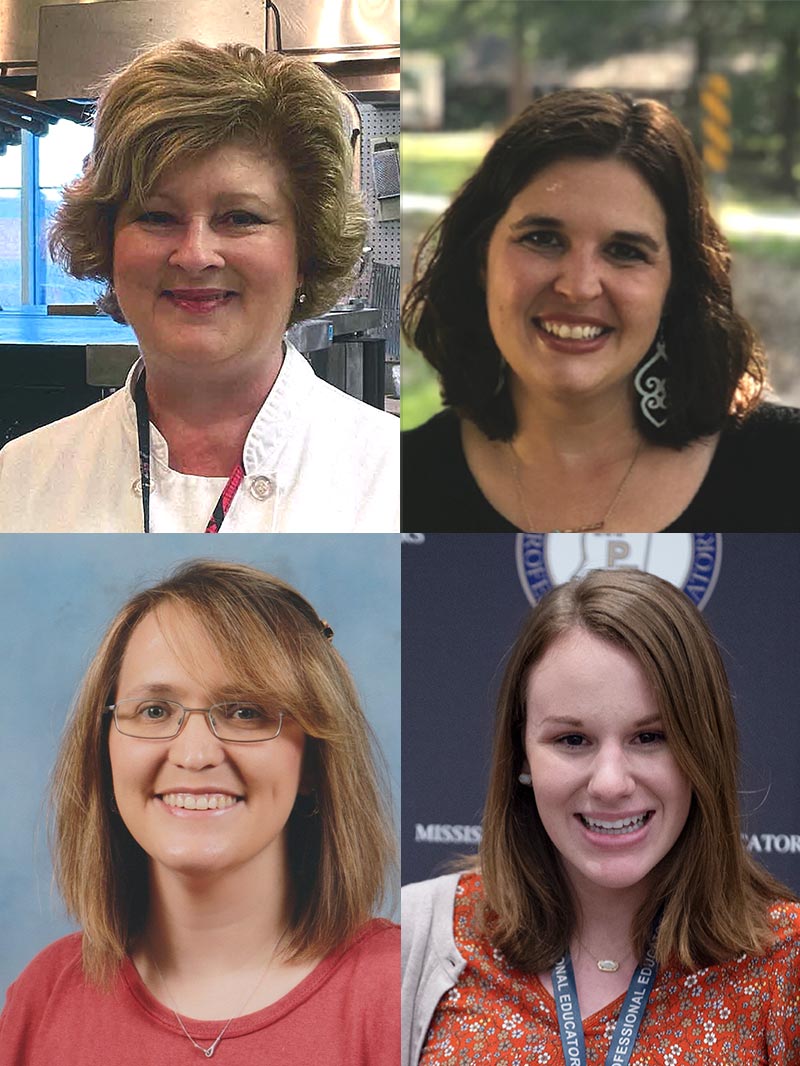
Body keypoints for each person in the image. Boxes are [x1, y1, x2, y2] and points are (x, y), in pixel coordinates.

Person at [1, 560, 399, 1064]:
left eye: (245, 712)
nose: (194, 755)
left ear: (316, 760)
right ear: (103, 749)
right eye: (154, 711)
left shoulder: (397, 992)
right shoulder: (44, 996)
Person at [402, 568, 800, 1065]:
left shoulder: (785, 964)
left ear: (705, 748)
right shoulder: (418, 935)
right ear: (521, 755)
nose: (610, 782)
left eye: (650, 737)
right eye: (573, 740)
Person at [0, 40, 398, 532]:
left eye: (240, 217)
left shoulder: (397, 480)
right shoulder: (20, 480)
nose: (194, 255)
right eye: (157, 216)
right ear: (107, 244)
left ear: (305, 252)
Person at [402, 90, 800, 532]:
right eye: (542, 239)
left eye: (624, 251)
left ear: (675, 285)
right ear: (482, 258)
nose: (578, 286)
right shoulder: (404, 483)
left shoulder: (784, 467)